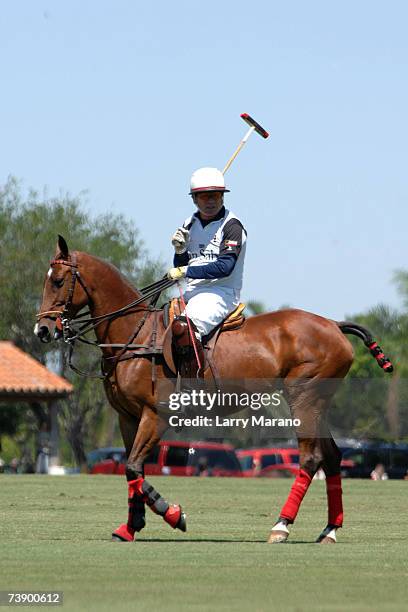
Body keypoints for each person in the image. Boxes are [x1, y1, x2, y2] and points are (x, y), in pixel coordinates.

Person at [167, 167, 247, 379]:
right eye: (204, 196)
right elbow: (181, 266)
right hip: (192, 292)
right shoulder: (188, 225)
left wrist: (186, 269)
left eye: (215, 195)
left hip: (221, 292)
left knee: (185, 329)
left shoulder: (232, 226)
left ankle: (193, 392)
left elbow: (224, 267)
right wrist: (180, 251)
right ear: (194, 199)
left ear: (222, 196)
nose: (210, 201)